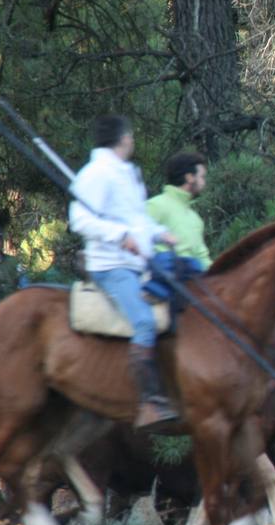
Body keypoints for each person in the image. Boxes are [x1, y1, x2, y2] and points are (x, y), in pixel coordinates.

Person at [68, 115, 178, 428]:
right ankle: (148, 402)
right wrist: (119, 236)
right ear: (123, 138)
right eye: (130, 136)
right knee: (143, 321)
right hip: (112, 266)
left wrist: (157, 233)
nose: (132, 141)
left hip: (139, 263)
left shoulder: (127, 174)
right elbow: (79, 220)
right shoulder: (96, 174)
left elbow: (137, 220)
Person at [146, 151, 211, 268]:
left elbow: (202, 257)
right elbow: (137, 237)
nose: (204, 182)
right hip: (162, 277)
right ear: (190, 177)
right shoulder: (156, 205)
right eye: (202, 177)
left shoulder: (195, 218)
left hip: (192, 280)